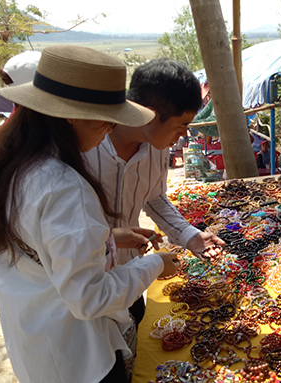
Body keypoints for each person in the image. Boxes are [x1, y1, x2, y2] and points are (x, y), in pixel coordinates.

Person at [0, 46, 181, 383]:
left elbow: (39, 247)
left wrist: (105, 237)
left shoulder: (17, 165)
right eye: (107, 118)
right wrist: (154, 265)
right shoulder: (65, 187)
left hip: (37, 342)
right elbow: (91, 298)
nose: (110, 129)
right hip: (77, 358)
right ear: (72, 115)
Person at [83, 58, 225, 323]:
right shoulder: (86, 149)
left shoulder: (158, 150)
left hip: (130, 275)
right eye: (181, 125)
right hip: (84, 284)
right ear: (149, 114)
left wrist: (189, 235)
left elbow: (154, 197)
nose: (183, 135)